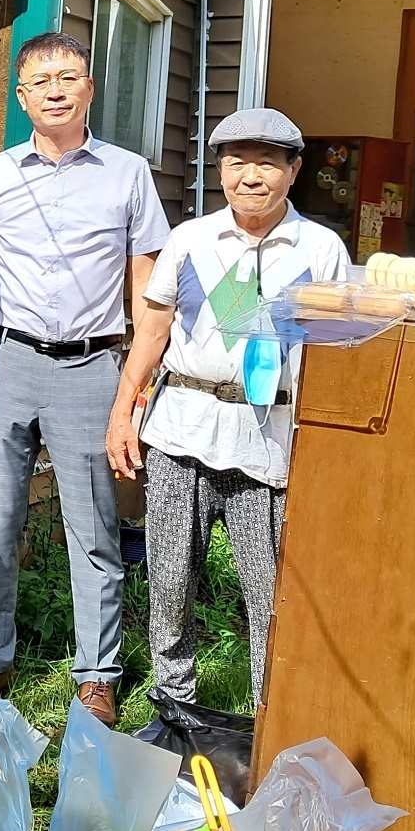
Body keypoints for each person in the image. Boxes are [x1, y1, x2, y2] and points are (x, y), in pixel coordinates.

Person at [0, 31, 170, 727]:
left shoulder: (128, 172)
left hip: (90, 363)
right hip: (3, 359)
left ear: (89, 88)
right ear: (20, 96)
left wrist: (136, 383)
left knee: (94, 524)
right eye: (39, 80)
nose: (54, 89)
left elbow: (147, 288)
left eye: (68, 77)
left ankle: (97, 674)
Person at [106, 109, 347, 708]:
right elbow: (152, 330)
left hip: (266, 437)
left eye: (267, 162)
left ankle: (273, 710)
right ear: (220, 170)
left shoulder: (321, 249)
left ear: (294, 171)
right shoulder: (191, 239)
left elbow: (337, 357)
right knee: (169, 577)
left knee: (269, 587)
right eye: (236, 162)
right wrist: (122, 412)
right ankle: (173, 701)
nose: (250, 176)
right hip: (182, 425)